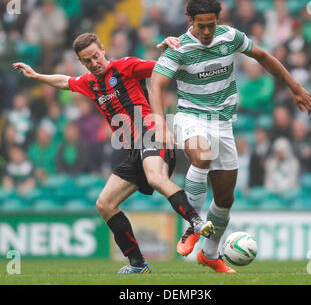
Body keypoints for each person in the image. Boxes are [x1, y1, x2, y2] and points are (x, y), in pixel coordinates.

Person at [13, 32, 214, 274]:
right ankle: (137, 263)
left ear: (103, 50)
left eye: (96, 56)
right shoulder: (89, 83)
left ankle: (195, 222)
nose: (93, 63)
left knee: (156, 178)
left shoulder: (126, 66)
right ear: (81, 61)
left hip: (153, 135)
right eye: (87, 61)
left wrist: (168, 49)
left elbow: (163, 68)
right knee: (105, 204)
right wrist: (36, 75)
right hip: (132, 151)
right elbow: (65, 81)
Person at [149, 0, 311, 273]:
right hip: (191, 116)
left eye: (211, 25)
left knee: (225, 199)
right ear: (190, 20)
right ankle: (192, 223)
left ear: (218, 20)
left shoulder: (230, 37)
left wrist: (295, 87)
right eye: (201, 25)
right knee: (201, 156)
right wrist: (160, 123)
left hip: (223, 122)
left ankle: (210, 254)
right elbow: (155, 86)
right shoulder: (178, 48)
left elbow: (263, 56)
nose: (206, 32)